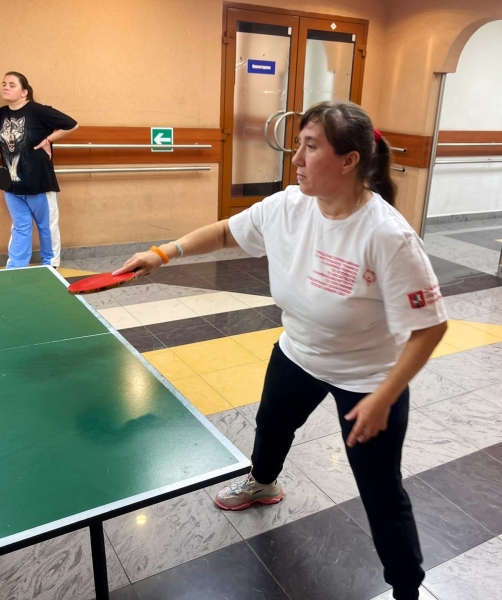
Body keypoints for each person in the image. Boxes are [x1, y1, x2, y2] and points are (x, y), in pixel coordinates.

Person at [114, 101, 448, 599]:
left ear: (349, 160)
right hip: (298, 353)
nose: (296, 158)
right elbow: (226, 231)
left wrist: (383, 398)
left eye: (310, 147)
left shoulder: (387, 235)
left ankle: (407, 589)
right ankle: (263, 483)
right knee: (271, 426)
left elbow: (431, 328)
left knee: (381, 492)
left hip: (368, 379)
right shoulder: (289, 206)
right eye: (298, 145)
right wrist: (164, 253)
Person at [0, 72, 78, 269]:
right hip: (12, 186)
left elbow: (72, 125)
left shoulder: (38, 111)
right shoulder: (1, 114)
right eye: (4, 84)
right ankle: (16, 267)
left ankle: (50, 265)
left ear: (24, 92)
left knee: (47, 227)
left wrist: (48, 139)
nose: (6, 87)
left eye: (12, 85)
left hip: (40, 183)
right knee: (20, 228)